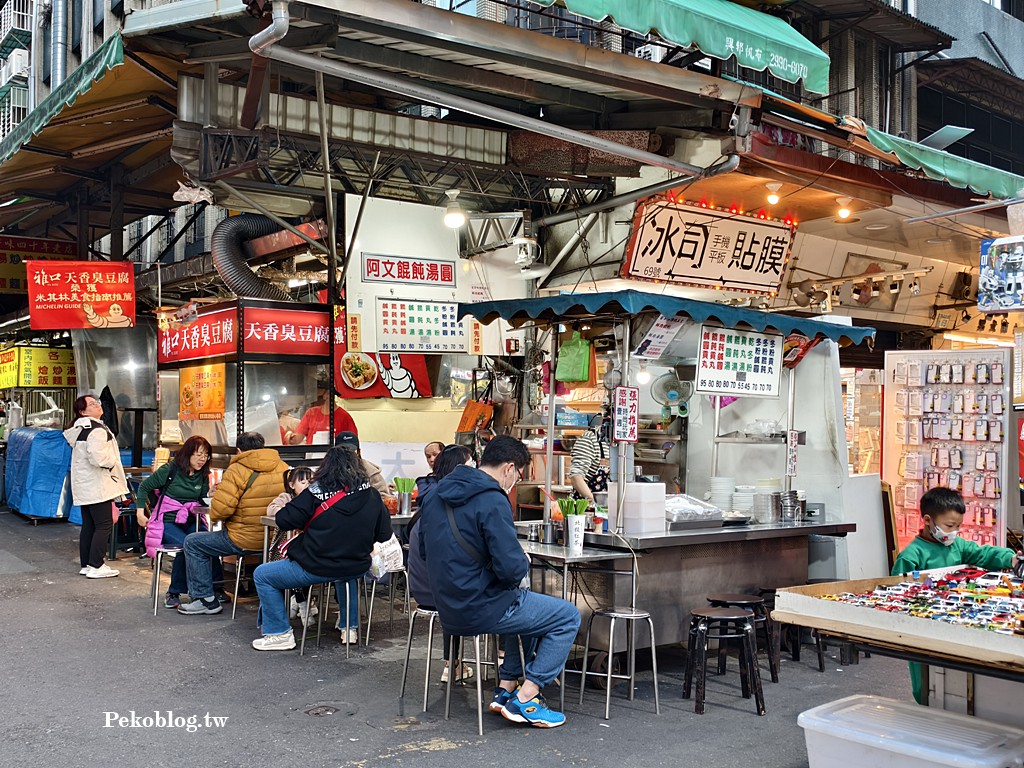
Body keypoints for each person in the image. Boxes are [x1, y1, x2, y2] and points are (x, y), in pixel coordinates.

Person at [420, 435, 581, 728]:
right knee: (566, 616)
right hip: (482, 607)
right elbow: (510, 570)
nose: (516, 481)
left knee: (531, 610)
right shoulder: (492, 500)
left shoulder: (435, 495)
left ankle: (505, 689)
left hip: (447, 607)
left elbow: (422, 549)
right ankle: (528, 698)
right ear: (509, 468)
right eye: (519, 474)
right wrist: (519, 559)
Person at [250, 445, 392, 650]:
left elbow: (283, 520)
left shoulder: (315, 493)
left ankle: (279, 633)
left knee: (263, 574)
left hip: (315, 566)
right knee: (346, 575)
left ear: (326, 467)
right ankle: (349, 628)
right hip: (355, 566)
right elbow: (384, 534)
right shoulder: (371, 496)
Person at [891, 486, 1021, 703]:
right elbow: (898, 591)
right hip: (922, 625)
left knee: (954, 675)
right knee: (925, 677)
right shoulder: (911, 555)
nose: (954, 532)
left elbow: (982, 553)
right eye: (949, 526)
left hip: (953, 620)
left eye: (958, 526)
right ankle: (926, 708)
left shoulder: (957, 546)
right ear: (927, 520)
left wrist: (1010, 558)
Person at [177, 432, 289, 616]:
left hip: (243, 539)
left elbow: (222, 511)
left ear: (239, 450)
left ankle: (205, 599)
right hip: (274, 540)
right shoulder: (282, 466)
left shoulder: (237, 470)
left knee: (193, 542)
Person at [407, 443, 475, 682]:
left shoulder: (429, 500)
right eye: (470, 465)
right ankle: (506, 667)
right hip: (440, 595)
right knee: (509, 596)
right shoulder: (454, 506)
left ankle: (453, 664)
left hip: (420, 592)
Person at [137, 436, 223, 609]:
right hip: (167, 521)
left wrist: (211, 494)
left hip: (191, 519)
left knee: (208, 543)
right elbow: (144, 487)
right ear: (187, 453)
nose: (202, 459)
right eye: (198, 454)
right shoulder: (169, 470)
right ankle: (174, 592)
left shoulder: (202, 475)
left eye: (205, 455)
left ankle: (216, 587)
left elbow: (202, 499)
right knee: (187, 546)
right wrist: (139, 512)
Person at [65, 393, 129, 579]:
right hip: (97, 485)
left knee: (90, 525)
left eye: (96, 402)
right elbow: (98, 457)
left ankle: (87, 564)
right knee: (104, 524)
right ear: (83, 412)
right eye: (92, 404)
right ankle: (96, 565)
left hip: (85, 485)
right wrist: (113, 462)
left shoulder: (82, 430)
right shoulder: (97, 430)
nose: (97, 405)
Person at [266, 466, 318, 626]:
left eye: (310, 482)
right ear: (291, 484)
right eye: (302, 482)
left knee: (306, 571)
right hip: (284, 548)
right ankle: (301, 605)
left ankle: (300, 601)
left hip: (307, 546)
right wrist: (290, 513)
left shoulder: (316, 500)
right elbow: (271, 509)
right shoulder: (286, 497)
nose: (307, 486)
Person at [285, 380, 358, 445]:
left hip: (334, 458)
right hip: (312, 457)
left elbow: (353, 443)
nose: (313, 401)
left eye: (318, 396)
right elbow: (298, 438)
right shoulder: (311, 413)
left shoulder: (345, 417)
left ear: (328, 394)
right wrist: (290, 437)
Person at [568, 407, 610, 504]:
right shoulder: (589, 439)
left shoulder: (621, 445)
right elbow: (576, 476)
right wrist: (595, 504)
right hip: (587, 509)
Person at [335, 431, 390, 497]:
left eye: (351, 451)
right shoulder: (326, 473)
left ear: (358, 452)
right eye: (343, 450)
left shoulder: (371, 473)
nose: (347, 454)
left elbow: (384, 497)